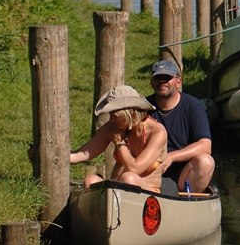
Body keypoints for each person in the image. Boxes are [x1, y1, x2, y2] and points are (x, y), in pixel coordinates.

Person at [70, 85, 168, 192]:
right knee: (90, 180)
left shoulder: (157, 132)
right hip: (115, 190)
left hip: (146, 197)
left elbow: (134, 169)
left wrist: (120, 143)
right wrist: (57, 156)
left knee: (128, 178)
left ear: (128, 113)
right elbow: (81, 154)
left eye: (114, 114)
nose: (111, 118)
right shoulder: (113, 126)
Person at [146, 60, 216, 194]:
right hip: (150, 170)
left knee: (206, 161)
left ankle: (186, 203)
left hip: (185, 173)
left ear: (178, 82)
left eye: (167, 77)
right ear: (152, 82)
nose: (162, 81)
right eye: (157, 78)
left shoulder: (193, 106)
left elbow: (205, 146)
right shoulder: (143, 107)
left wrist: (170, 157)